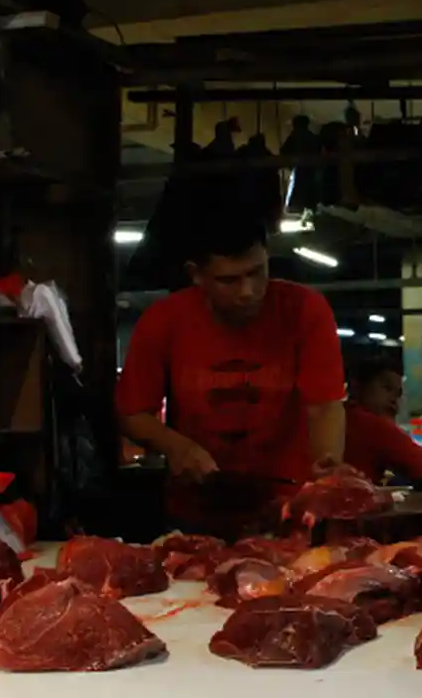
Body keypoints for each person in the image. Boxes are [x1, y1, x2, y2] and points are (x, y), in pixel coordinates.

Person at [115, 218, 346, 535]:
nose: (248, 292)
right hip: (195, 513)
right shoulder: (164, 320)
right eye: (229, 280)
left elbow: (325, 405)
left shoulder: (305, 309)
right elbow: (132, 413)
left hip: (286, 510)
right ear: (196, 275)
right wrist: (176, 447)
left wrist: (327, 465)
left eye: (257, 272)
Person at [343, 358, 422, 485]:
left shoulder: (343, 414)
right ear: (356, 387)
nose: (394, 400)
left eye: (398, 395)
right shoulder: (373, 426)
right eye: (387, 388)